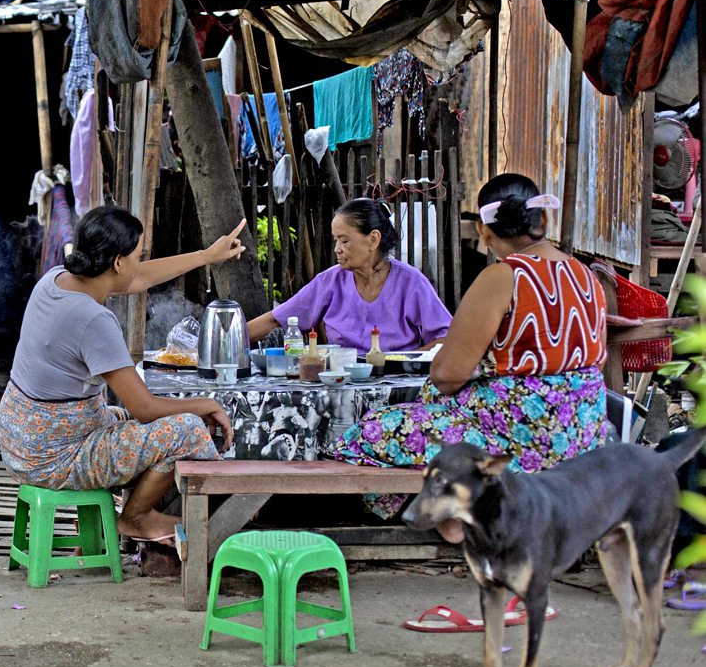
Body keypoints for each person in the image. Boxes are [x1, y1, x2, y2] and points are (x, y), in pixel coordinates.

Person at [334, 174, 609, 540]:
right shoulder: (584, 275)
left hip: (517, 440)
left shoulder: (502, 276)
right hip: (583, 435)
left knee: (367, 431)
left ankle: (453, 515)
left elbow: (448, 375)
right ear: (542, 220)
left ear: (484, 229)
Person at [0, 206, 243, 545]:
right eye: (137, 255)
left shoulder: (55, 280)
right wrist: (205, 403)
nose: (140, 262)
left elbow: (138, 278)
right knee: (186, 428)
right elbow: (145, 408)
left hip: (22, 436)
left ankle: (124, 513)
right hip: (54, 455)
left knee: (139, 418)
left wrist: (206, 255)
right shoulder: (93, 320)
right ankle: (135, 518)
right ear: (117, 262)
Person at [246, 198, 451, 352]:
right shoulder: (330, 281)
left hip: (398, 384)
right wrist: (230, 339)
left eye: (344, 241)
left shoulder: (410, 282)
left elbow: (446, 337)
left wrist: (406, 361)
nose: (337, 249)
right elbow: (277, 319)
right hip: (340, 381)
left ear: (373, 239)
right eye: (336, 241)